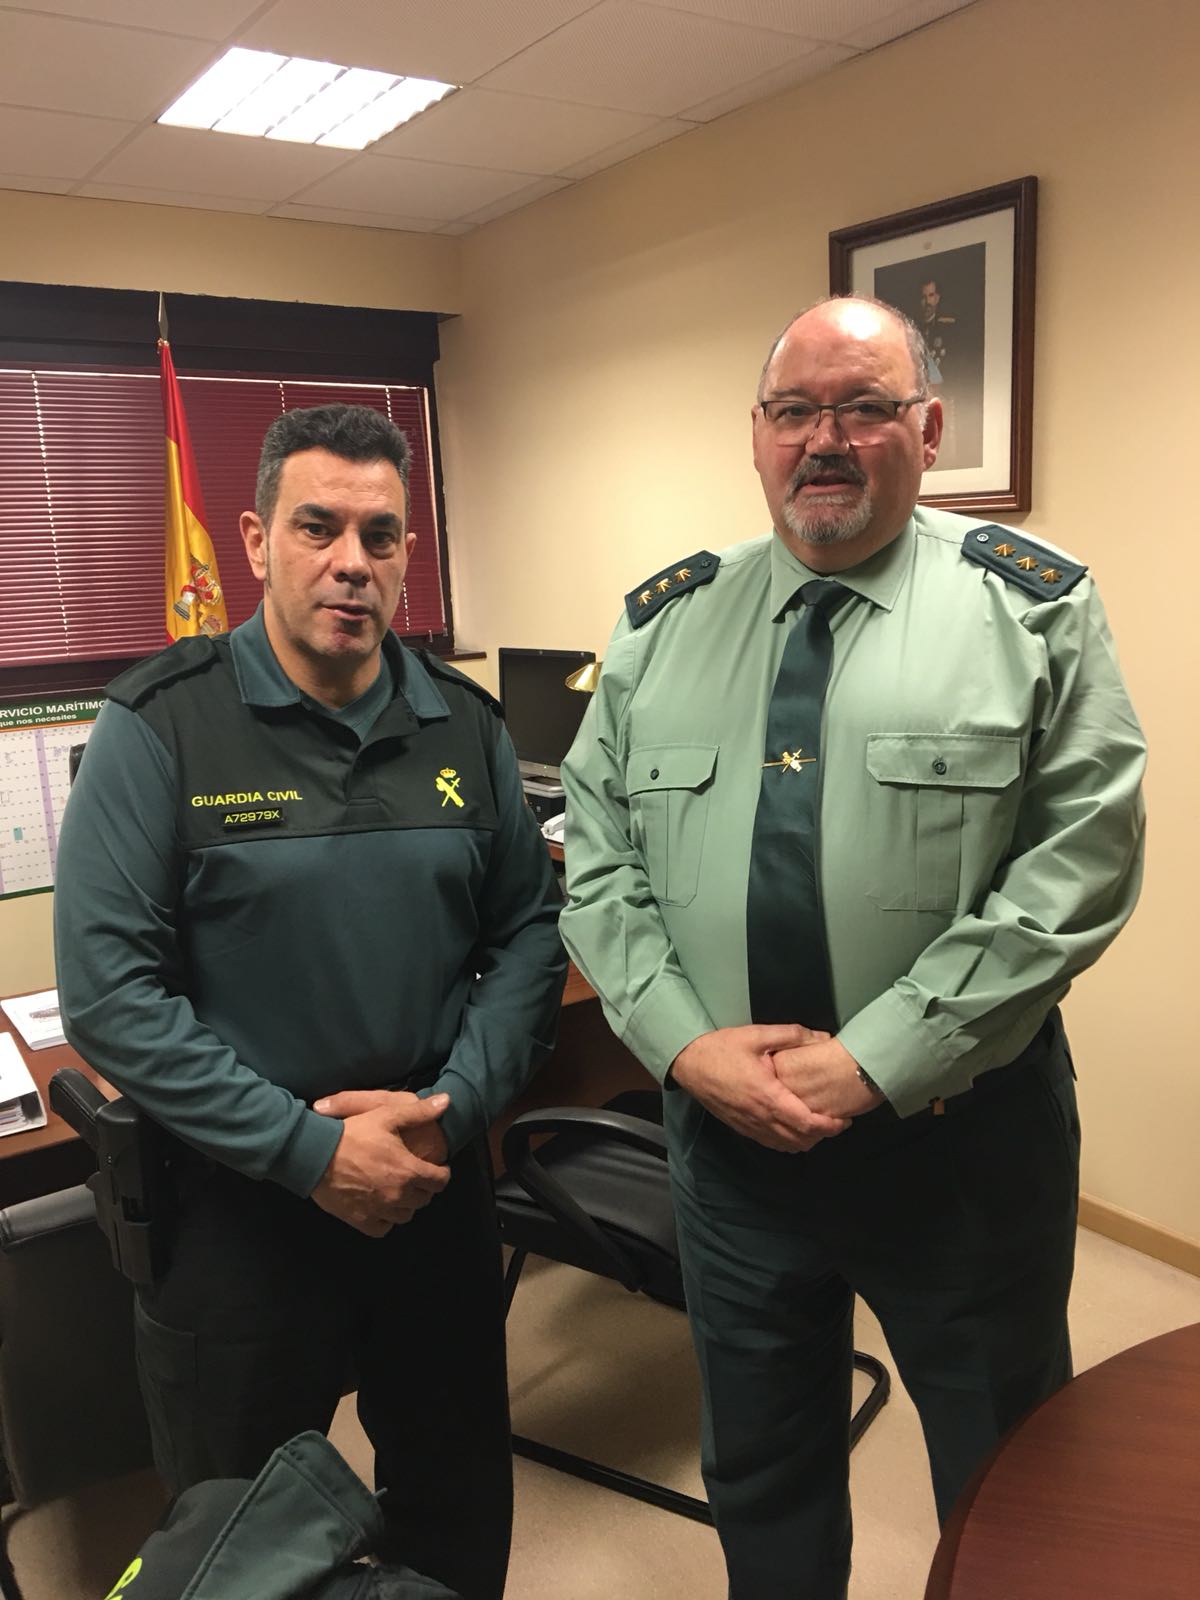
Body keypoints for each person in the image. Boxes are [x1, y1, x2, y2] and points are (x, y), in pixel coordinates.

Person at [559, 297, 1145, 1597]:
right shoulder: (664, 626)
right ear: (756, 438)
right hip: (727, 1146)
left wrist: (880, 1057)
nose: (826, 440)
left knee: (1007, 1473)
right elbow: (597, 868)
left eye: (866, 406)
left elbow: (1079, 862)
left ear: (926, 432)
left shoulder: (1032, 610)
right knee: (759, 1468)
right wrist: (684, 1045)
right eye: (794, 411)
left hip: (962, 1145)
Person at [55, 404, 567, 1600]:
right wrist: (310, 1151)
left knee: (452, 1506)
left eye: (381, 536)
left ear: (405, 556)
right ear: (255, 538)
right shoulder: (160, 725)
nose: (352, 561)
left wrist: (458, 1101)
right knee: (238, 1542)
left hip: (432, 1184)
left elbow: (529, 929)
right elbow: (112, 997)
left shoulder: (463, 723)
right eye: (318, 526)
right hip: (238, 1206)